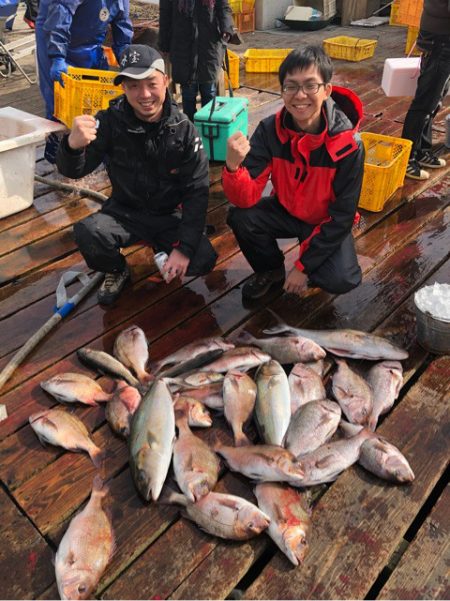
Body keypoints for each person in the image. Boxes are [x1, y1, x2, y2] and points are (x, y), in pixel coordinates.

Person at [55, 45, 218, 306]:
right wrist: (72, 146)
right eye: (133, 86)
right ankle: (117, 269)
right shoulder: (108, 122)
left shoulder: (185, 130)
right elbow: (74, 171)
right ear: (123, 88)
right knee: (88, 232)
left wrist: (184, 248)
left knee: (203, 258)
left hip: (168, 215)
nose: (144, 95)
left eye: (151, 84)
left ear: (166, 81)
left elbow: (197, 192)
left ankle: (164, 246)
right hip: (124, 212)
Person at [223, 45, 364, 301]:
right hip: (286, 209)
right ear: (282, 91)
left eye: (310, 85)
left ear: (327, 90)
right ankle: (271, 271)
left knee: (342, 278)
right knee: (241, 216)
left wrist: (302, 267)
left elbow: (342, 216)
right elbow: (245, 199)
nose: (300, 96)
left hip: (325, 220)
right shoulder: (269, 130)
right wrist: (233, 167)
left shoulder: (348, 144)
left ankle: (311, 267)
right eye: (291, 86)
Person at [35, 0, 133, 162]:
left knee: (95, 100)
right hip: (53, 35)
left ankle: (92, 152)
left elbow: (122, 21)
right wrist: (57, 56)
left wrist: (125, 56)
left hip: (91, 42)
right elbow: (60, 12)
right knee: (59, 102)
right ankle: (58, 156)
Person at [158, 0, 235, 121]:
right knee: (188, 92)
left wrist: (226, 28)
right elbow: (165, 14)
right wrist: (164, 43)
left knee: (209, 90)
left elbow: (224, 7)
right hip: (182, 45)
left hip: (209, 44)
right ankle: (189, 129)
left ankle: (208, 128)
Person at [402, 0, 450, 180]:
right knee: (425, 103)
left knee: (433, 100)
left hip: (438, 38)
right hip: (441, 41)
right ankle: (407, 158)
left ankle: (421, 150)